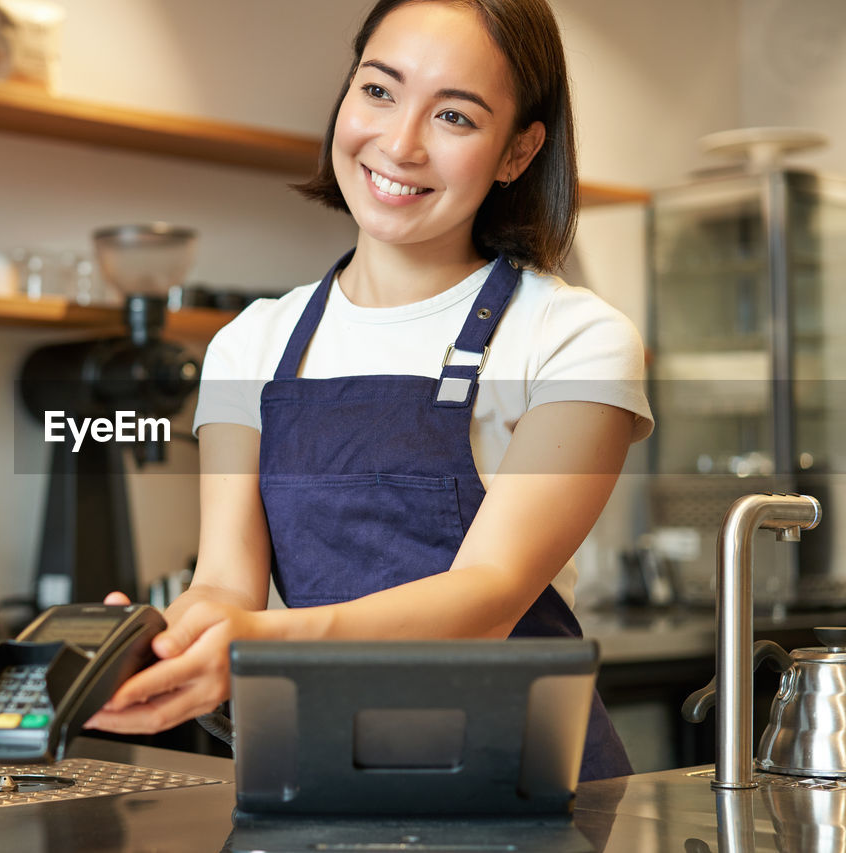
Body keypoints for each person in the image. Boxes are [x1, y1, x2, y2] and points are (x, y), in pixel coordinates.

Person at [85, 0, 653, 781]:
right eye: (379, 91)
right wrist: (160, 643)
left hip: (523, 792)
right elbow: (223, 580)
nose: (399, 142)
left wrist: (252, 643)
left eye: (454, 115)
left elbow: (488, 600)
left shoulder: (575, 340)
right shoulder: (251, 343)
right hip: (318, 779)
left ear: (517, 152)